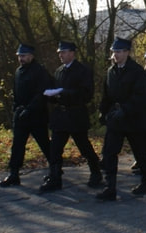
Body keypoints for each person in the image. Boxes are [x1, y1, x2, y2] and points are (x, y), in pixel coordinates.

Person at [39, 41, 103, 193]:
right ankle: (55, 177)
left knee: (84, 146)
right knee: (55, 149)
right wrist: (51, 96)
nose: (61, 55)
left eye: (64, 52)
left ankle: (96, 172)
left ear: (72, 53)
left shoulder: (82, 71)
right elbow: (55, 90)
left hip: (75, 114)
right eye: (60, 52)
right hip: (60, 115)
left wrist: (65, 93)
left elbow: (87, 94)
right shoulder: (59, 71)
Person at [97, 37, 146, 201]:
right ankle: (110, 187)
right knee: (109, 152)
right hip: (115, 118)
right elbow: (106, 94)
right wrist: (103, 111)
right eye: (114, 52)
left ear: (127, 52)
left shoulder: (137, 71)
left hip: (133, 119)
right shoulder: (111, 71)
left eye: (119, 52)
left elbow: (141, 96)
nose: (116, 55)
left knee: (139, 152)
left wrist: (126, 109)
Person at [0, 43, 53, 188]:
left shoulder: (40, 71)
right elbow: (16, 93)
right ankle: (14, 174)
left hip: (36, 116)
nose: (21, 59)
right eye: (19, 56)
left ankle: (55, 169)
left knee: (44, 144)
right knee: (17, 146)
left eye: (23, 56)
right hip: (21, 115)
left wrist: (30, 109)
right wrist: (16, 108)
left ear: (31, 56)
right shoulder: (18, 72)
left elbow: (42, 93)